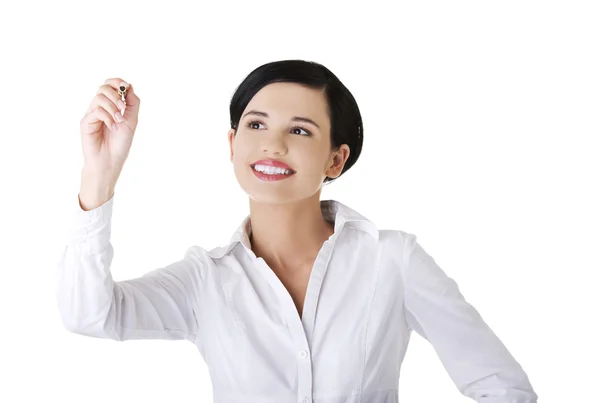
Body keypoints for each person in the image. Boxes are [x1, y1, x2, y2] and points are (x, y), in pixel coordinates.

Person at [55, 59, 538, 403]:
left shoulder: (392, 260)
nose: (273, 145)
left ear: (336, 159)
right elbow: (89, 314)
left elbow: (504, 388)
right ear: (232, 143)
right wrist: (100, 173)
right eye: (256, 125)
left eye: (300, 130)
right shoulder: (205, 280)